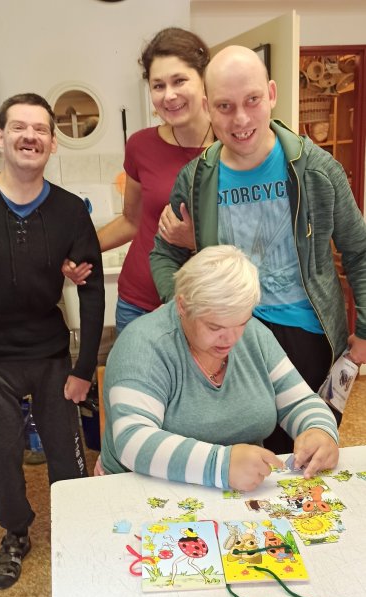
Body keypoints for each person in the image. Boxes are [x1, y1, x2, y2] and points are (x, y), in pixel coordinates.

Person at [150, 45, 366, 454]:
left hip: (309, 336)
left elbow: (359, 252)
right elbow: (163, 255)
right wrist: (186, 310)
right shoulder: (195, 179)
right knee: (240, 455)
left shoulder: (318, 170)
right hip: (233, 337)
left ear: (271, 94)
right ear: (208, 109)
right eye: (225, 106)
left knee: (304, 451)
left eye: (252, 100)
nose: (241, 119)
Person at [0, 93, 105, 589]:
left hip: (50, 356)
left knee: (67, 453)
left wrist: (83, 369)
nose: (30, 137)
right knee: (1, 457)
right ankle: (16, 533)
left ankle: (76, 527)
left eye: (40, 129)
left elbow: (91, 289)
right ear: (1, 137)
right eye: (19, 127)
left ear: (52, 143)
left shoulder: (69, 211)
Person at [99, 246, 339, 490]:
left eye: (241, 323)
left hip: (234, 493)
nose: (231, 339)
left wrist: (320, 430)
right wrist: (222, 465)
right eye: (215, 327)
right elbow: (132, 441)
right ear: (182, 306)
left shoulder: (254, 335)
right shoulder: (143, 345)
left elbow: (299, 401)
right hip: (144, 491)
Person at [63, 27, 214, 333]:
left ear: (204, 81)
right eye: (158, 85)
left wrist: (196, 241)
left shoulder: (232, 147)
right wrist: (76, 252)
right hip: (138, 303)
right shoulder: (141, 145)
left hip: (207, 307)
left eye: (179, 80)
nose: (168, 95)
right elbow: (131, 221)